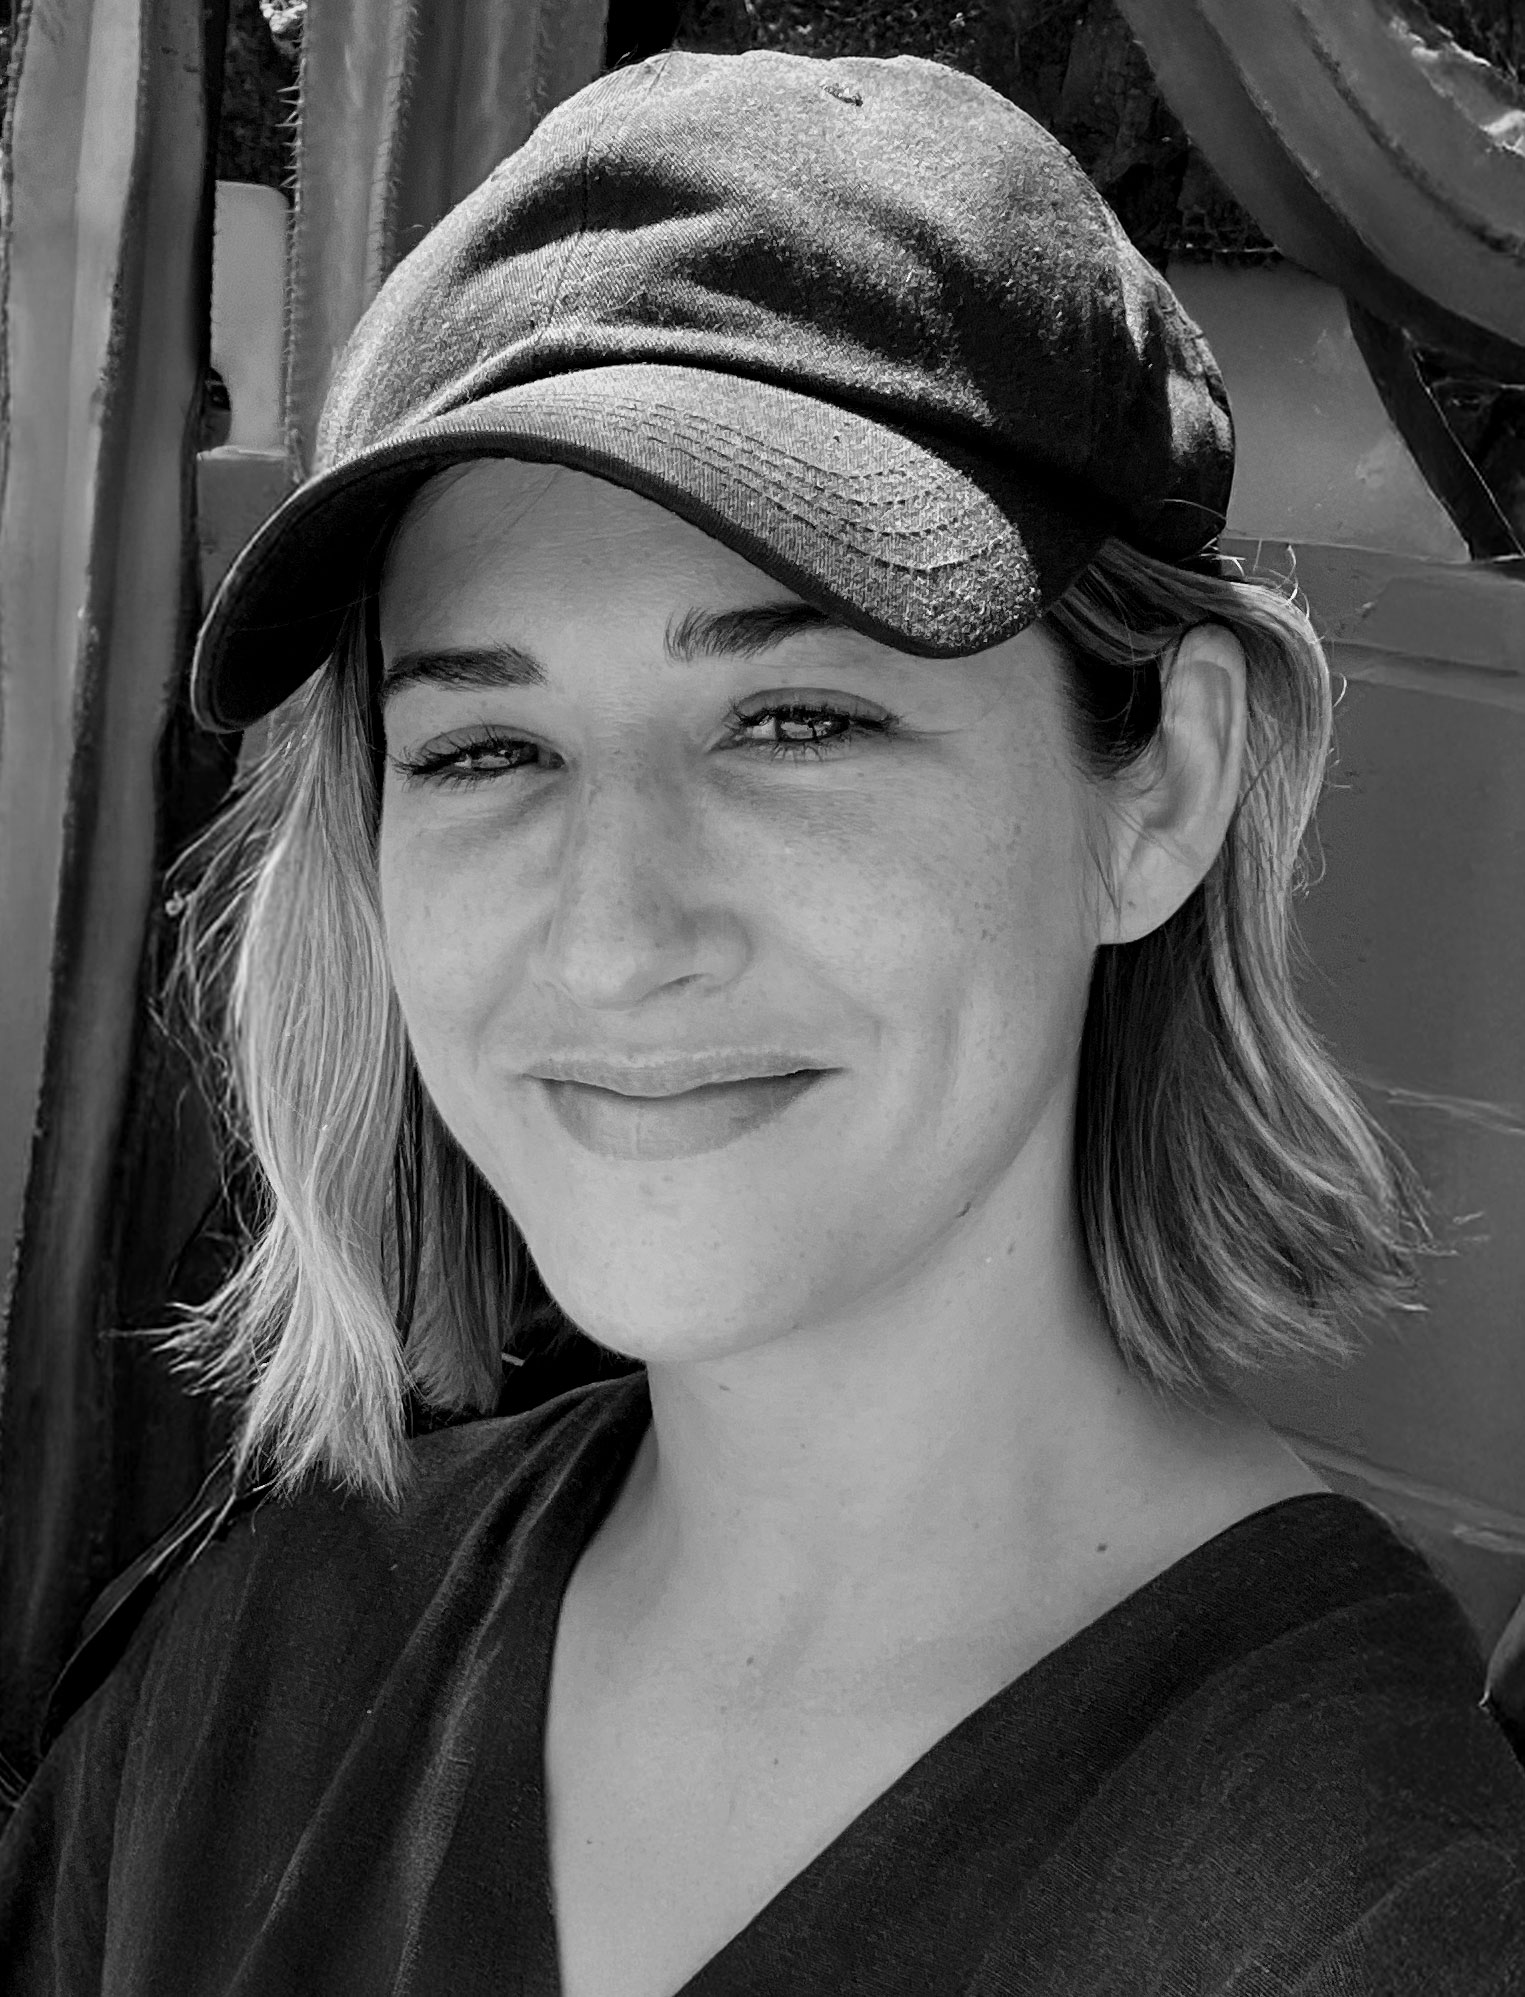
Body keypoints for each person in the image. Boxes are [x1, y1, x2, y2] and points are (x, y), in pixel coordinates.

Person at [3, 46, 1523, 1997]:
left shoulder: (1370, 1908)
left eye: (796, 719)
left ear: (1160, 788)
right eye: (482, 747)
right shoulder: (257, 1661)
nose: (614, 936)